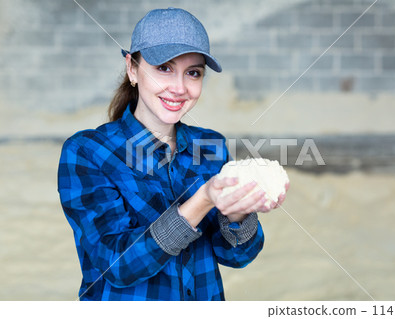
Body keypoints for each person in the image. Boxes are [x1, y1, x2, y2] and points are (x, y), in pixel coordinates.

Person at [58, 7, 288, 301]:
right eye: (164, 68)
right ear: (132, 68)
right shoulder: (87, 151)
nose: (179, 88)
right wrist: (203, 199)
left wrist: (238, 213)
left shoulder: (211, 145)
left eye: (193, 73)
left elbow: (236, 257)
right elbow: (117, 265)